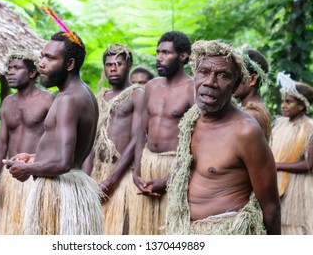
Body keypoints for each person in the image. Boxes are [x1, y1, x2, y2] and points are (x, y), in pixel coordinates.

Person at [166, 40, 281, 235]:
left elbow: (271, 206)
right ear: (194, 75)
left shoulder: (246, 132)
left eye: (222, 75)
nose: (210, 82)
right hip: (185, 230)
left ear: (235, 85)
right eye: (204, 72)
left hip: (227, 232)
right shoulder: (190, 120)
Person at [4, 31, 103, 235]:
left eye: (50, 58)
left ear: (69, 64)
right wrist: (34, 158)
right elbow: (67, 152)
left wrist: (26, 169)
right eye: (42, 56)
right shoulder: (80, 93)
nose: (41, 63)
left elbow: (65, 163)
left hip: (61, 191)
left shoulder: (69, 99)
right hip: (66, 189)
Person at [131, 31, 195, 235]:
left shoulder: (192, 89)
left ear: (183, 56)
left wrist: (169, 179)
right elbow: (142, 132)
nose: (158, 57)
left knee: (168, 232)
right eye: (158, 52)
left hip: (174, 167)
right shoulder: (151, 86)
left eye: (165, 53)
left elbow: (197, 141)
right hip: (148, 163)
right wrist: (136, 171)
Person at [0, 51, 55, 235]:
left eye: (17, 68)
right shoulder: (8, 102)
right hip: (11, 177)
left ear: (32, 73)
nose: (10, 72)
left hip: (36, 176)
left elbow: (56, 140)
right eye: (9, 68)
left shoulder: (48, 100)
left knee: (36, 230)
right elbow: (1, 144)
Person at [83, 44, 144, 234]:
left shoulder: (137, 95)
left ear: (129, 65)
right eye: (109, 64)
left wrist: (111, 181)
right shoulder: (100, 97)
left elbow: (137, 139)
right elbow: (91, 142)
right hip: (97, 173)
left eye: (119, 64)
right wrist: (86, 180)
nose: (113, 68)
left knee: (120, 231)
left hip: (122, 175)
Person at [271, 72, 313, 235]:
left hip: (299, 187)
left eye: (289, 102)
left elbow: (308, 164)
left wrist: (277, 165)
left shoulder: (309, 128)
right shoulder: (281, 125)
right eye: (283, 101)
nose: (283, 105)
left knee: (296, 225)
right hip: (279, 182)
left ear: (302, 105)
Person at [233, 48, 272, 140]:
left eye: (236, 75)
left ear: (252, 79)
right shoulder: (253, 110)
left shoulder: (251, 115)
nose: (230, 81)